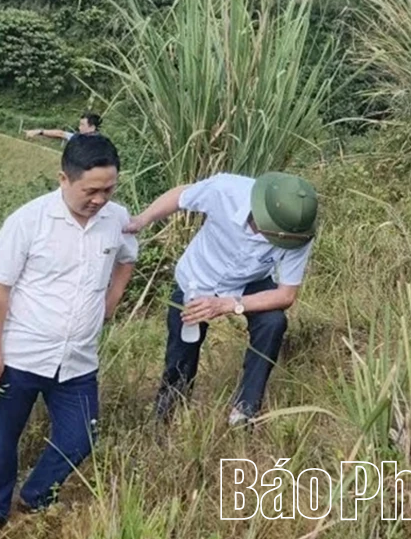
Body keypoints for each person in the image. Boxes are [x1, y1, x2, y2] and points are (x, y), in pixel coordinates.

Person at [0, 134, 137, 539]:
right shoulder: (28, 221)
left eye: (108, 189)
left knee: (81, 437)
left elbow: (126, 260)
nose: (100, 199)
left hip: (78, 360)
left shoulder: (117, 217)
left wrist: (107, 306)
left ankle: (33, 497)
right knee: (0, 439)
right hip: (22, 355)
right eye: (90, 190)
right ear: (63, 178)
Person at [124, 172, 318, 428]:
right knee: (182, 348)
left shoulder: (297, 232)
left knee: (273, 323)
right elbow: (181, 195)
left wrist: (230, 304)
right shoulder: (225, 190)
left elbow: (285, 295)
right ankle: (167, 413)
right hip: (198, 277)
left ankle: (245, 410)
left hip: (250, 281)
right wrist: (143, 219)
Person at [24, 111, 102, 142]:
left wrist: (39, 132)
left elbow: (61, 134)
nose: (79, 127)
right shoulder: (80, 138)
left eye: (82, 125)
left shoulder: (96, 143)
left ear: (92, 127)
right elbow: (61, 134)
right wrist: (40, 132)